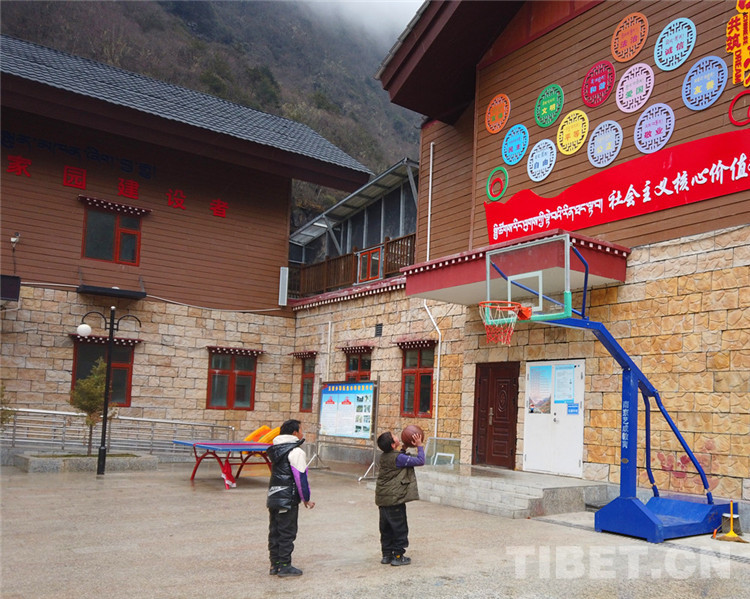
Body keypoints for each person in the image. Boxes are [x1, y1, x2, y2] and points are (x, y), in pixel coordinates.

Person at [266, 419, 315, 577]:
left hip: (274, 496)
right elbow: (300, 478)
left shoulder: (276, 450)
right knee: (287, 532)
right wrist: (306, 498)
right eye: (301, 430)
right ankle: (285, 566)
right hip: (287, 499)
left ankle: (275, 565)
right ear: (294, 433)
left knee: (275, 532)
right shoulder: (296, 452)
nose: (302, 433)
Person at [375, 429, 425, 566]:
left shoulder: (384, 456)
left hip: (383, 500)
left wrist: (403, 448)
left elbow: (397, 458)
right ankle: (398, 556)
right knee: (399, 528)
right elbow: (420, 461)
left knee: (386, 529)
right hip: (394, 500)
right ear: (393, 444)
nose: (397, 436)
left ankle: (386, 555)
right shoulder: (398, 458)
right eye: (394, 436)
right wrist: (419, 445)